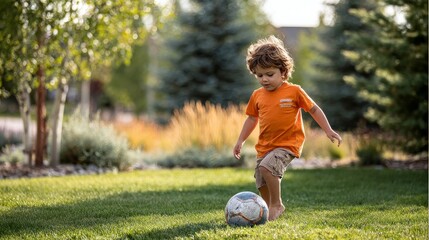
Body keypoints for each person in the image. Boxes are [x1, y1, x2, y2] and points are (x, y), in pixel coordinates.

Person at [233, 35, 342, 221]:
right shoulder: (257, 95)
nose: (264, 79)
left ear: (283, 72)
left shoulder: (294, 91)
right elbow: (251, 119)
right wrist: (240, 140)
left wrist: (328, 130)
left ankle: (277, 204)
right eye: (260, 75)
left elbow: (314, 110)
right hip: (265, 145)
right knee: (260, 177)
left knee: (268, 168)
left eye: (269, 74)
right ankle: (265, 209)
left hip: (288, 144)